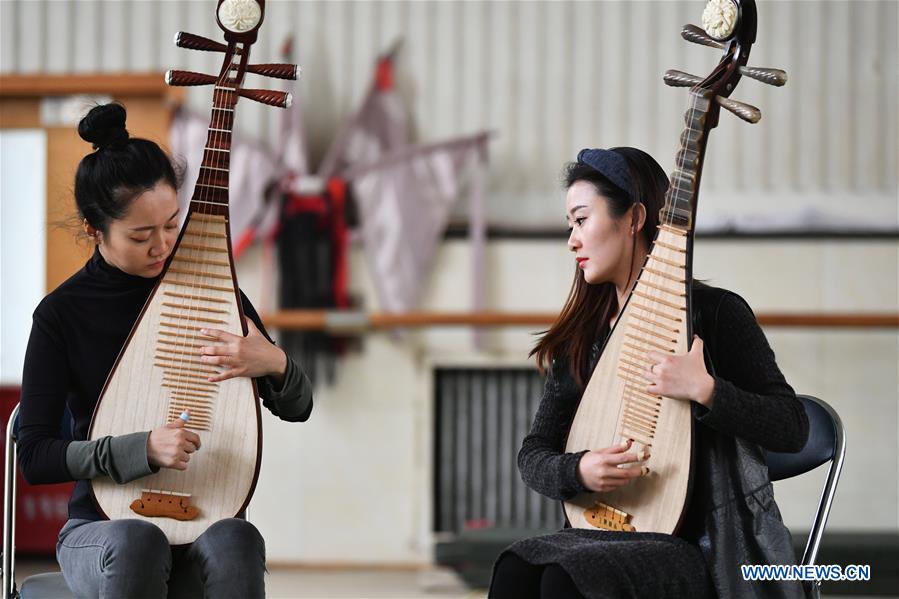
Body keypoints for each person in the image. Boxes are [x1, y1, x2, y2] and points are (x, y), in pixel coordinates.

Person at [17, 103, 313, 598]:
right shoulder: (61, 315)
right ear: (94, 230)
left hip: (206, 516)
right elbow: (36, 456)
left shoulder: (214, 294)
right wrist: (141, 449)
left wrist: (276, 364)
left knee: (238, 538)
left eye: (172, 225)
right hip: (104, 528)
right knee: (139, 540)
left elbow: (299, 409)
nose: (162, 246)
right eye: (141, 234)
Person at [489, 147, 809, 599]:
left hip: (699, 545)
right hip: (596, 531)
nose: (572, 240)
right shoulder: (587, 334)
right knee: (515, 570)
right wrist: (579, 470)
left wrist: (707, 391)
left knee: (569, 580)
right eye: (569, 226)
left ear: (635, 218)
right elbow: (534, 453)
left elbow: (792, 427)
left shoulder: (716, 316)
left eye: (582, 220)